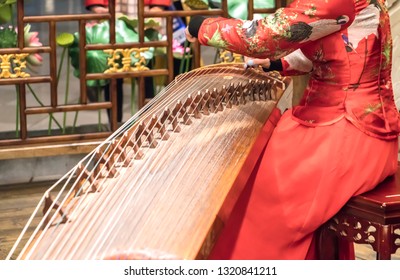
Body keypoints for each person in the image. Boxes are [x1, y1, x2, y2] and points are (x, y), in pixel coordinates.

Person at [186, 0, 400, 259]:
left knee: (260, 199)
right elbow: (328, 47)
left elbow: (263, 36)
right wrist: (276, 64)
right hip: (333, 123)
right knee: (250, 164)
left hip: (350, 130)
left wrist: (200, 26)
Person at [85, 0, 172, 124]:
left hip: (144, 18)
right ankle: (115, 126)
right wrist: (97, 7)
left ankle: (149, 124)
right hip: (112, 16)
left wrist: (158, 7)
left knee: (145, 75)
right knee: (113, 77)